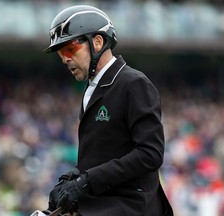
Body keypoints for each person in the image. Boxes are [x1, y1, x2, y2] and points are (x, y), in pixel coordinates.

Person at [43, 5, 174, 216]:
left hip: (130, 204)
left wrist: (87, 181)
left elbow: (150, 154)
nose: (65, 59)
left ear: (97, 42)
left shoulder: (134, 84)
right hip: (100, 200)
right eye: (60, 53)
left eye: (69, 49)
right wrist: (72, 178)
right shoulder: (91, 88)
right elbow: (102, 155)